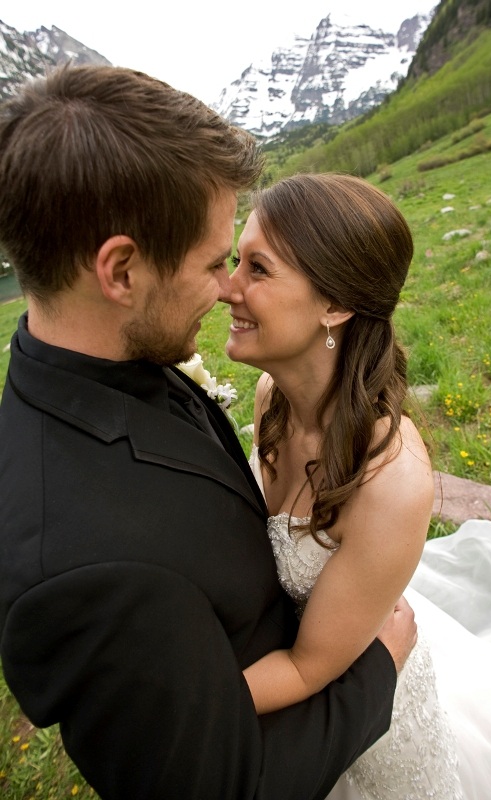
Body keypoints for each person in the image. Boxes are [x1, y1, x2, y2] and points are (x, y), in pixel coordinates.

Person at [0, 65, 418, 800]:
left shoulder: (114, 356)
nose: (227, 289)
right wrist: (379, 665)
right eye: (214, 263)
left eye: (246, 265)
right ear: (120, 271)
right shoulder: (85, 571)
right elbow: (218, 783)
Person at [223, 172, 491, 800]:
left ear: (335, 306)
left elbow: (308, 666)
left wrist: (167, 706)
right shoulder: (271, 402)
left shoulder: (390, 481)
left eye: (256, 269)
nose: (225, 288)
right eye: (236, 260)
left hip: (371, 726)